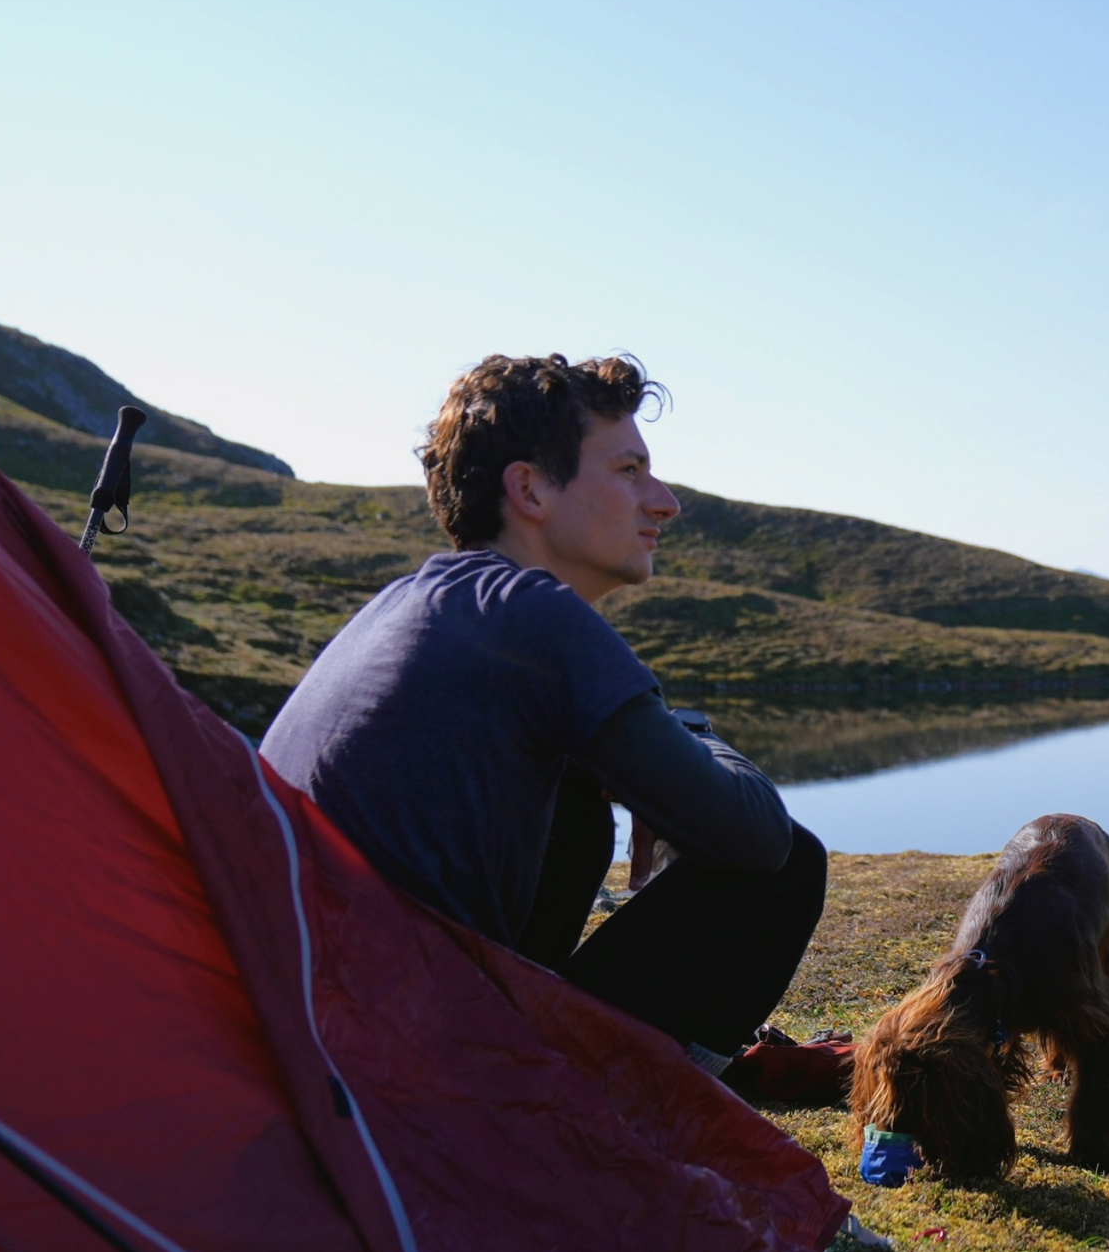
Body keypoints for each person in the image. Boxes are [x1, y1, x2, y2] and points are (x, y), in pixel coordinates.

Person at [260, 353, 848, 1100]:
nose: (664, 502)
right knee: (788, 864)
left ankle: (604, 1089)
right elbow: (756, 838)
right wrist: (690, 735)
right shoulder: (534, 616)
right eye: (630, 470)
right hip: (410, 1079)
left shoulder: (412, 603)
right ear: (530, 488)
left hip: (315, 1043)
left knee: (573, 794)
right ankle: (645, 1124)